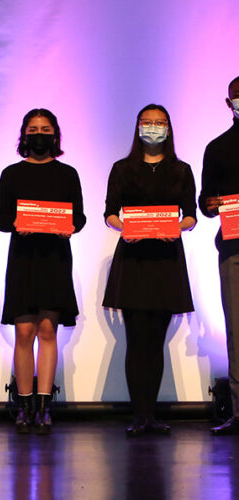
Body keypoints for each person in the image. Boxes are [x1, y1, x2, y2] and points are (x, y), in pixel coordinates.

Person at [103, 104, 196, 436]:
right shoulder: (122, 169)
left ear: (168, 128)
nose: (153, 127)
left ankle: (151, 415)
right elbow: (110, 213)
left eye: (160, 122)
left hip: (166, 261)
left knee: (156, 342)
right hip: (134, 261)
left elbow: (191, 215)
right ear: (138, 126)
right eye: (147, 122)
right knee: (136, 339)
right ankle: (138, 416)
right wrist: (125, 227)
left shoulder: (181, 170)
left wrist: (177, 227)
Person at [0, 108, 86, 434]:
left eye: (45, 129)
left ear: (55, 134)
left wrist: (70, 226)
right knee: (23, 333)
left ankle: (44, 407)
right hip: (23, 260)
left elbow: (80, 217)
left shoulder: (68, 174)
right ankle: (24, 405)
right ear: (24, 134)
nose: (39, 134)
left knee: (47, 331)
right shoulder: (11, 173)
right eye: (33, 129)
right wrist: (19, 223)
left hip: (55, 260)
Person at [199, 76, 239, 435]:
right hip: (233, 248)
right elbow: (205, 200)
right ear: (229, 103)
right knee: (237, 332)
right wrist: (210, 205)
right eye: (238, 97)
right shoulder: (217, 148)